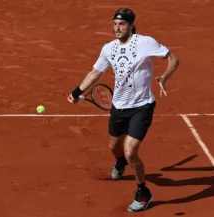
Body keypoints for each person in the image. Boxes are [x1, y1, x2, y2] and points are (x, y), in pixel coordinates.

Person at [67, 7, 179, 212]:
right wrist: (76, 91)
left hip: (142, 106)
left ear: (131, 26)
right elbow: (95, 72)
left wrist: (164, 77)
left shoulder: (146, 42)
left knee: (131, 151)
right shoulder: (108, 48)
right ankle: (119, 162)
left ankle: (143, 193)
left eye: (122, 24)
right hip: (118, 106)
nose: (117, 28)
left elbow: (173, 58)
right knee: (114, 148)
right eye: (115, 24)